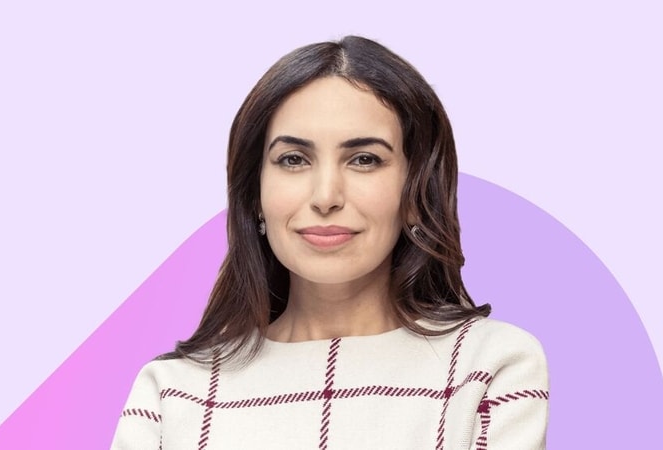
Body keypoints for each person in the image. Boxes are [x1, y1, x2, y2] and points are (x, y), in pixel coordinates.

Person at [112, 35, 549, 450]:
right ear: (255, 194)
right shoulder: (173, 392)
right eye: (293, 159)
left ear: (416, 193)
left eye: (364, 159)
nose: (325, 197)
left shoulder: (491, 366)